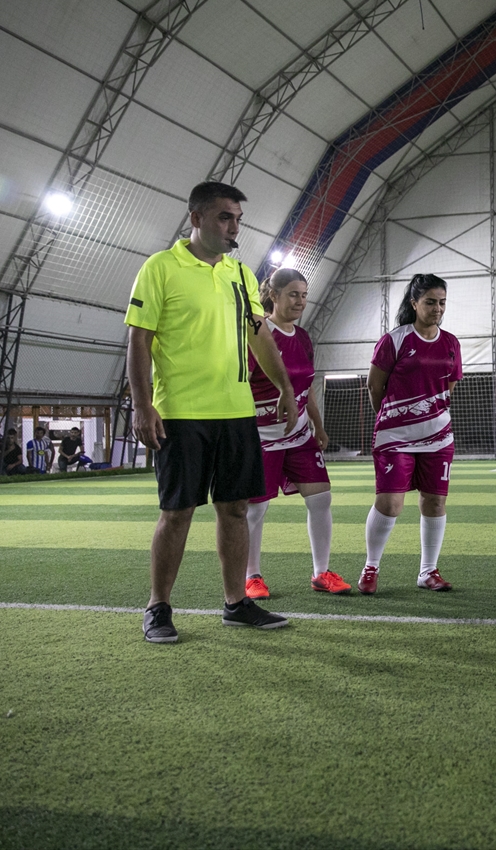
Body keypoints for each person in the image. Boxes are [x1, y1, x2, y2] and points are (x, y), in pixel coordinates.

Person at [126, 181, 298, 643]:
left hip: (236, 412)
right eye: (225, 217)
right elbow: (138, 339)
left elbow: (259, 335)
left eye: (238, 219)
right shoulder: (160, 268)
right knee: (177, 511)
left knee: (236, 509)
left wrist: (284, 386)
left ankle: (236, 603)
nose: (234, 227)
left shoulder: (241, 274)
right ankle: (157, 608)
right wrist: (143, 405)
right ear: (196, 218)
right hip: (181, 412)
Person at [243, 268, 352, 600]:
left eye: (304, 295)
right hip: (262, 436)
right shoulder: (256, 332)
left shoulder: (303, 337)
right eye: (293, 294)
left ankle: (321, 573)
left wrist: (318, 426)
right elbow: (239, 384)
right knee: (256, 509)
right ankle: (252, 577)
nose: (300, 301)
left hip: (301, 434)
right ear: (273, 295)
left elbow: (308, 389)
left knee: (321, 498)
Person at [359, 273, 462, 595]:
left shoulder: (450, 343)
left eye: (442, 302)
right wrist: (393, 418)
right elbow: (374, 385)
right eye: (430, 302)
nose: (437, 309)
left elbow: (449, 387)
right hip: (395, 437)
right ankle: (371, 567)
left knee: (434, 502)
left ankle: (428, 571)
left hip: (438, 436)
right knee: (389, 504)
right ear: (414, 303)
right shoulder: (395, 339)